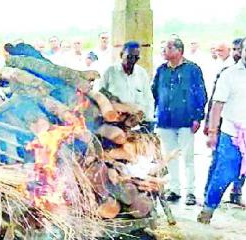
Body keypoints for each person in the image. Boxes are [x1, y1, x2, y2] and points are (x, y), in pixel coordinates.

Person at [152, 37, 207, 206]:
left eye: (168, 48)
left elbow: (201, 94)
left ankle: (190, 191)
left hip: (186, 120)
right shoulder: (161, 70)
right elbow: (154, 91)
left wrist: (198, 117)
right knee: (170, 156)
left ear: (179, 50)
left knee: (188, 157)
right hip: (165, 120)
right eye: (163, 48)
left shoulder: (192, 69)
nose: (164, 51)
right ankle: (174, 189)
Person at [198, 37, 246, 224]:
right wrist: (212, 132)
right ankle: (207, 212)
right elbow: (217, 105)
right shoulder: (230, 74)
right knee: (223, 176)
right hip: (231, 135)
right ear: (241, 51)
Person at [101, 41, 155, 130]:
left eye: (136, 58)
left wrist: (146, 119)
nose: (132, 61)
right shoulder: (110, 72)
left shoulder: (141, 73)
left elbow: (148, 99)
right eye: (129, 57)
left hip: (136, 125)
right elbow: (100, 95)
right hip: (114, 125)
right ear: (122, 54)